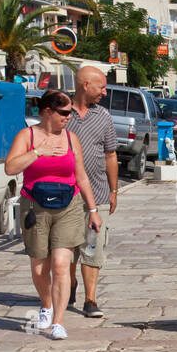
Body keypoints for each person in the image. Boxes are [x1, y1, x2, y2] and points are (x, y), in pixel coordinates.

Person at [5, 89, 100, 341]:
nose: (69, 117)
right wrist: (37, 153)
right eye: (64, 113)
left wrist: (93, 210)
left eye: (70, 113)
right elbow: (10, 167)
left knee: (60, 265)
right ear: (48, 111)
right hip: (35, 207)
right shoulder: (27, 136)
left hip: (68, 206)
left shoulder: (71, 139)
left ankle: (58, 321)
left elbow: (81, 176)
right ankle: (46, 304)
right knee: (39, 268)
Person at [68, 65, 119, 319]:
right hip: (65, 195)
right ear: (85, 86)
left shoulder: (104, 117)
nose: (105, 93)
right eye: (101, 87)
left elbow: (111, 155)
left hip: (97, 194)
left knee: (92, 246)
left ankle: (90, 299)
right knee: (66, 248)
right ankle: (70, 284)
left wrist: (114, 190)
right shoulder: (63, 114)